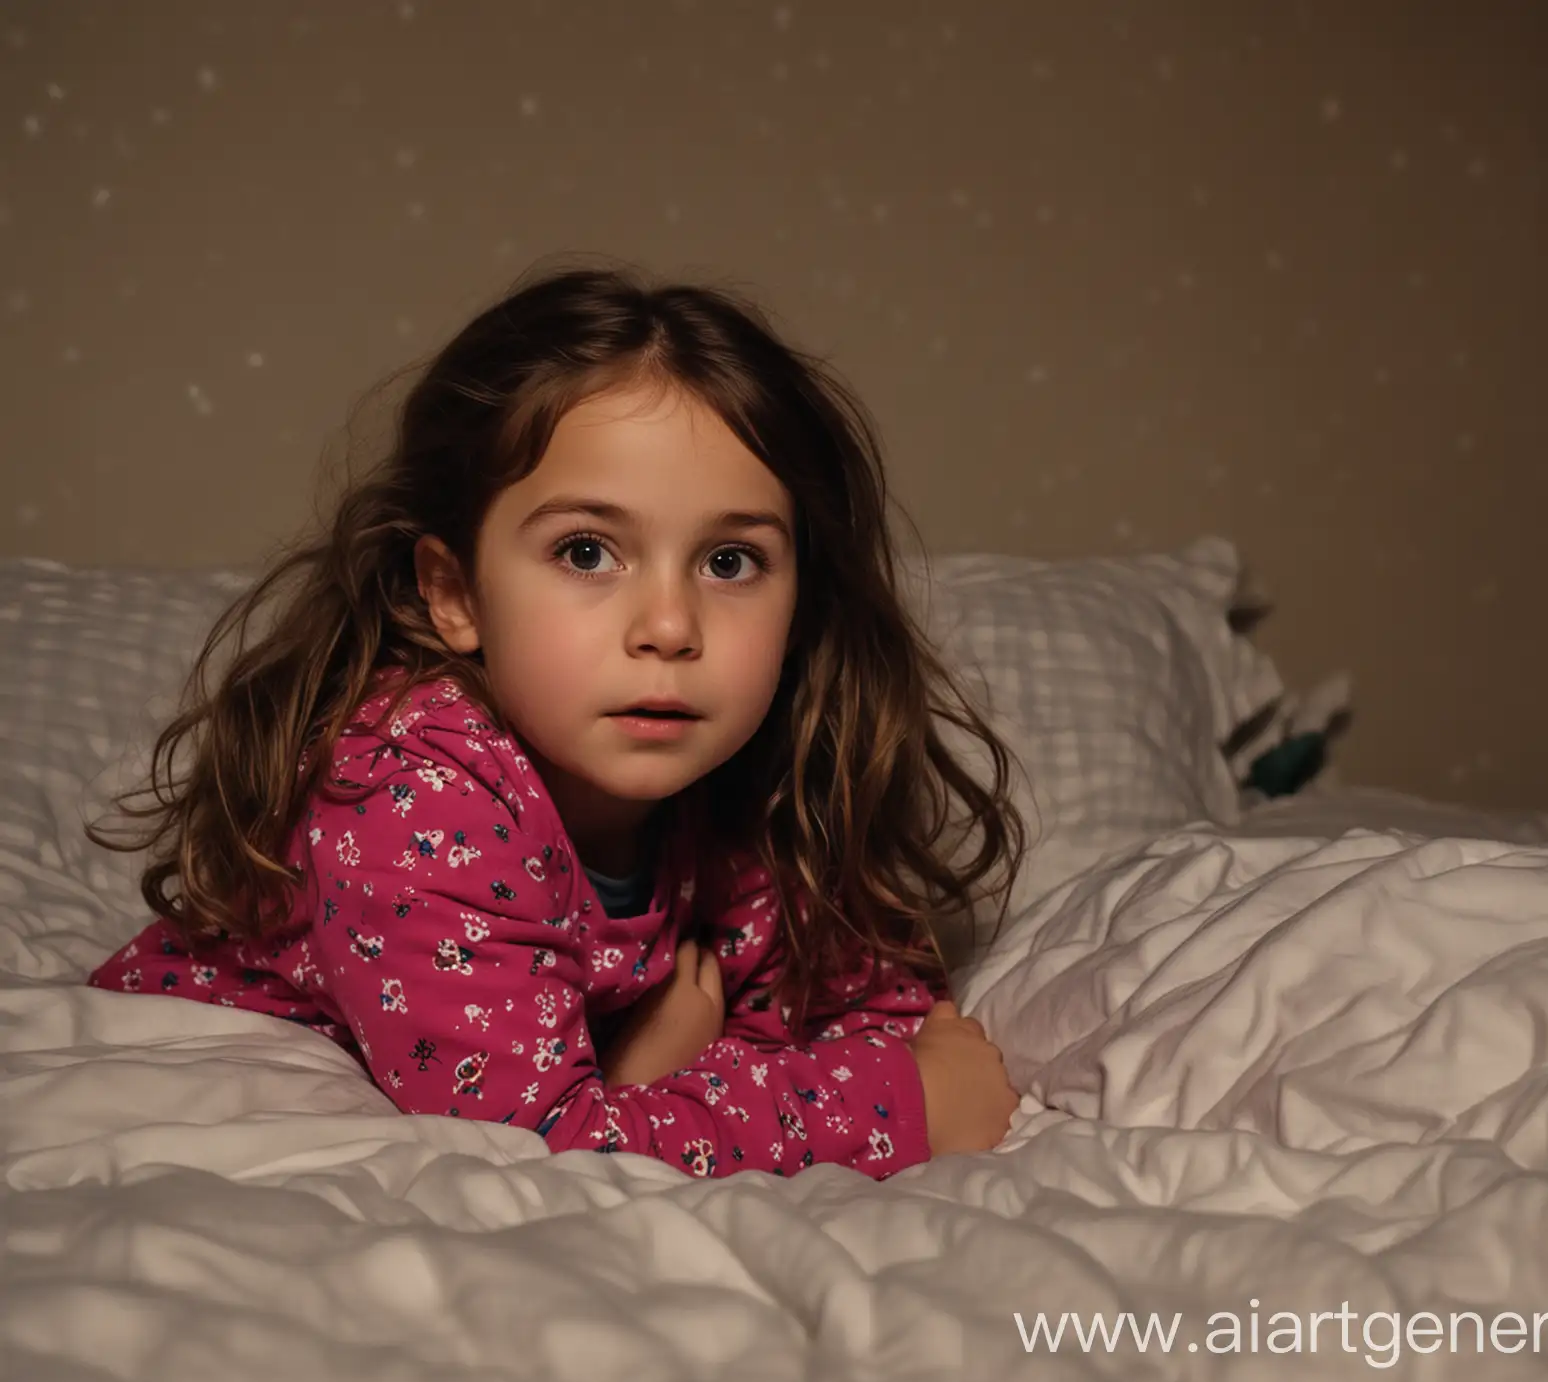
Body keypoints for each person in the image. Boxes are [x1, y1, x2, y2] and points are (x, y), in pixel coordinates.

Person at [85, 263, 1025, 1181]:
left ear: (801, 605)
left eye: (731, 562)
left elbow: (883, 1016)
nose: (668, 628)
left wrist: (675, 1074)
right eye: (587, 551)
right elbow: (527, 1152)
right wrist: (895, 1110)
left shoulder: (754, 787)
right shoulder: (405, 782)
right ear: (454, 594)